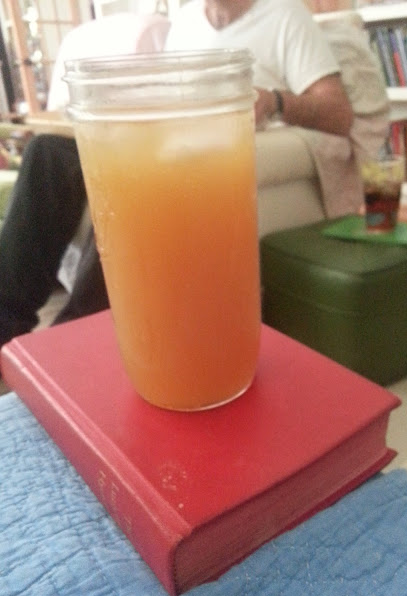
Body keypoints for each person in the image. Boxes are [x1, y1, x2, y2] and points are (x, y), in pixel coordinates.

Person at [0, 0, 354, 353]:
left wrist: (274, 100)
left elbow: (339, 113)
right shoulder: (185, 22)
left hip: (223, 146)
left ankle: (80, 336)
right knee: (47, 152)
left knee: (143, 175)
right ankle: (5, 323)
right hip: (170, 136)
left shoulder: (286, 16)